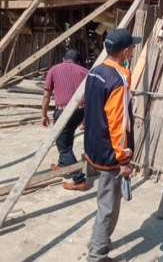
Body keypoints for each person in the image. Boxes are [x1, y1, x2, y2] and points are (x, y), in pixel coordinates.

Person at [84, 28, 141, 262]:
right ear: (125, 51)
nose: (134, 50)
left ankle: (99, 244)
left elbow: (89, 107)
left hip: (93, 146)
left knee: (104, 201)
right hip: (109, 152)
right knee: (108, 206)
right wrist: (124, 159)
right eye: (133, 47)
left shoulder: (95, 72)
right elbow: (118, 123)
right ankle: (97, 256)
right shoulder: (119, 79)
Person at [42, 49, 89, 191]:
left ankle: (79, 180)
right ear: (78, 61)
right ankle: (63, 165)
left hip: (64, 111)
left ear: (63, 59)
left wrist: (43, 114)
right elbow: (91, 94)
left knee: (63, 146)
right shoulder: (85, 71)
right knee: (66, 137)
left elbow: (46, 95)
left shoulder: (54, 69)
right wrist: (86, 117)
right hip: (81, 110)